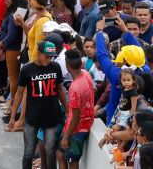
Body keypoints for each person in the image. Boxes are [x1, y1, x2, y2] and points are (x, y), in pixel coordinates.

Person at [8, 41, 67, 169]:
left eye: (51, 57)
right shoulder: (27, 70)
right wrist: (13, 117)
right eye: (46, 56)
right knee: (29, 152)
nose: (49, 60)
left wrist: (67, 110)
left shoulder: (55, 67)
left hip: (51, 117)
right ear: (38, 53)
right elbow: (19, 93)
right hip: (32, 117)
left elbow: (60, 90)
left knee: (50, 151)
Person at [58, 49, 94, 169]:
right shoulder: (86, 73)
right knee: (60, 154)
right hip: (83, 123)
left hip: (77, 129)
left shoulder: (74, 88)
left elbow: (76, 116)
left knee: (72, 161)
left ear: (68, 66)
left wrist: (66, 137)